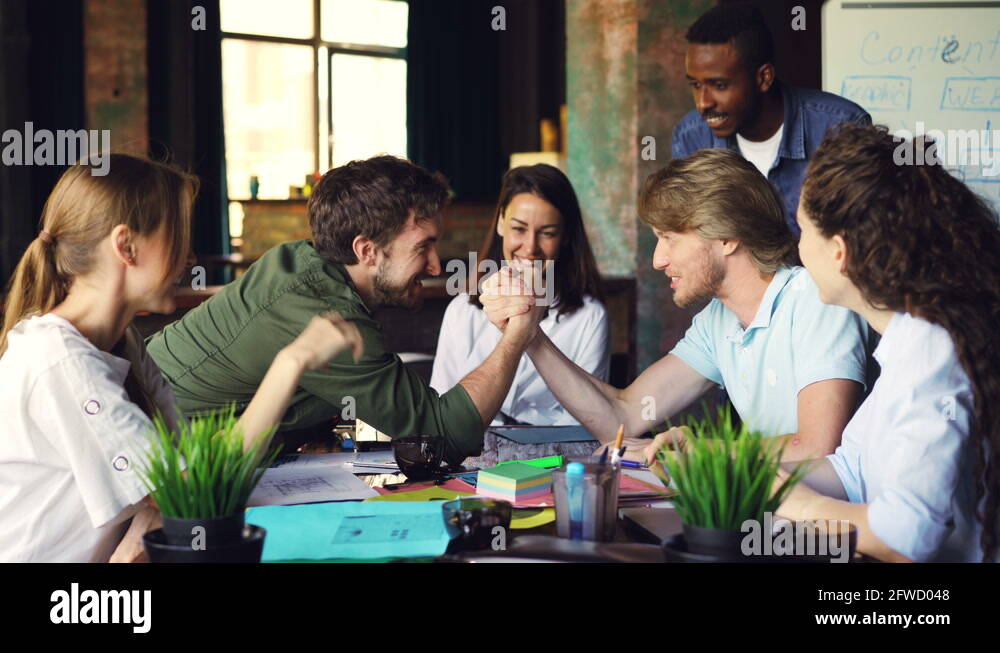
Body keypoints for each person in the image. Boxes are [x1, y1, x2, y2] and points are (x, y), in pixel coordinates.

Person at [0, 155, 364, 562]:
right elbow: (194, 498)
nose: (189, 257)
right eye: (177, 236)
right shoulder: (63, 363)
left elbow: (188, 474)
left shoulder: (123, 342)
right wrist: (290, 364)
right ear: (126, 246)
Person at [147, 155, 542, 466]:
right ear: (366, 251)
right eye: (423, 246)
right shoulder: (323, 306)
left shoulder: (304, 263)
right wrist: (517, 337)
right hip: (160, 471)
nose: (438, 266)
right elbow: (443, 435)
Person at [481, 148, 872, 462]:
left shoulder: (816, 300)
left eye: (669, 237)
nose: (658, 260)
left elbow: (819, 447)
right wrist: (531, 335)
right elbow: (625, 414)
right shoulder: (719, 320)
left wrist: (702, 450)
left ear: (727, 236)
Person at [774, 123, 1000, 562]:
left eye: (803, 231)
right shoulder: (906, 336)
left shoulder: (931, 346)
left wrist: (795, 502)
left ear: (838, 252)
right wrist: (737, 474)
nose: (798, 247)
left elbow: (905, 537)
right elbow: (852, 470)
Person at [430, 164, 609, 426]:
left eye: (547, 233)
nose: (531, 247)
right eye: (519, 229)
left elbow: (588, 421)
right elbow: (443, 407)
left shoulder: (590, 318)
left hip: (557, 461)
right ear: (501, 223)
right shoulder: (463, 310)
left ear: (565, 236)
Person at [672, 3, 870, 233]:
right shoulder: (691, 137)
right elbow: (694, 238)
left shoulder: (841, 127)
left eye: (720, 85)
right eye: (696, 85)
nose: (703, 103)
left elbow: (859, 242)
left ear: (764, 78)